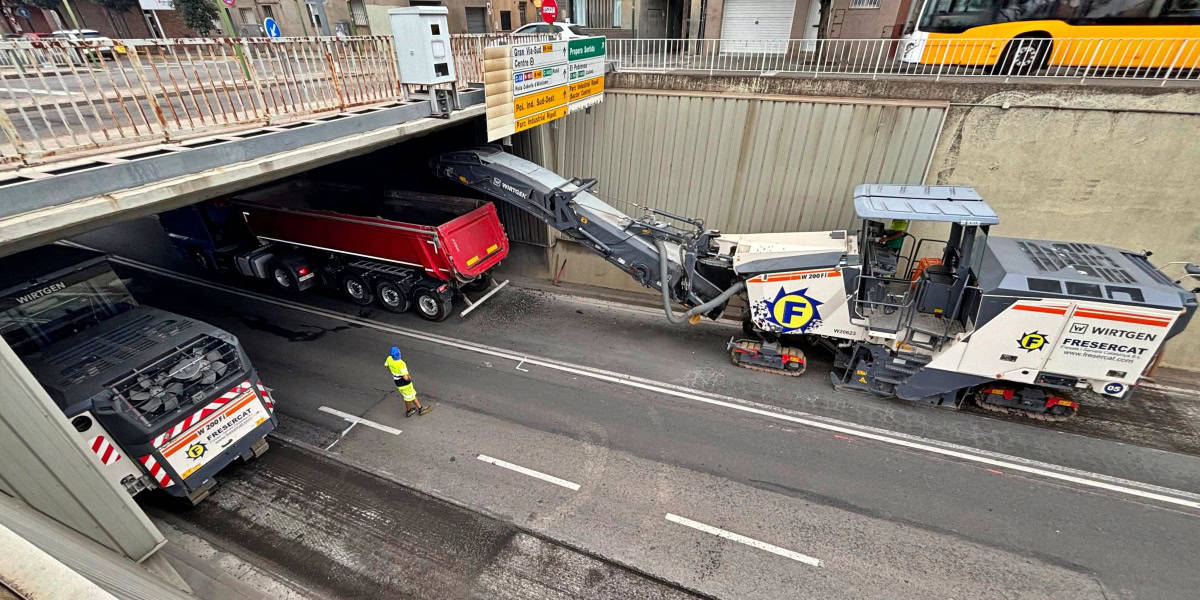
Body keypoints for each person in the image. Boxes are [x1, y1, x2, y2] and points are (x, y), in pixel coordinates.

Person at [386, 347, 430, 417]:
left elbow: (387, 366)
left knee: (411, 394)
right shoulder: (401, 363)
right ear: (398, 354)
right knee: (408, 397)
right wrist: (409, 379)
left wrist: (393, 372)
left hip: (397, 382)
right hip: (405, 384)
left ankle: (420, 408)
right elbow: (405, 377)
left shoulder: (389, 359)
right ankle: (409, 411)